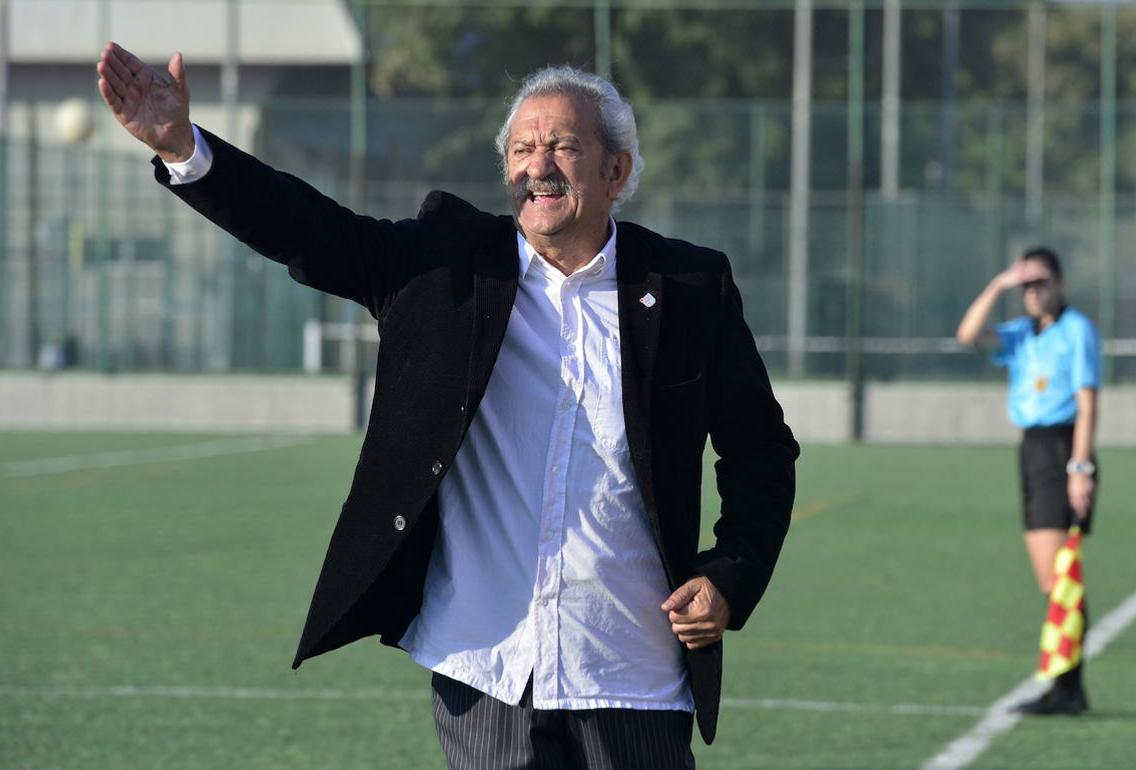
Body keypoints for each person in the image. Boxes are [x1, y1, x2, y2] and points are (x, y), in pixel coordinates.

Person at [97, 42, 799, 768]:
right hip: (485, 667)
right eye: (523, 149)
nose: (539, 165)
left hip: (630, 666)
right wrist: (184, 147)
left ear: (616, 170)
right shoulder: (445, 268)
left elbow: (761, 452)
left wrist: (729, 575)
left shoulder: (688, 287)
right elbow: (308, 230)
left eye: (563, 145)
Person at [955, 246, 1100, 716]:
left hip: (1060, 450)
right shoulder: (1023, 334)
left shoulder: (1077, 331)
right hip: (1032, 449)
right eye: (1026, 286)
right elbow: (968, 335)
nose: (1033, 293)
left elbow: (1087, 401)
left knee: (1059, 577)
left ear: (1059, 283)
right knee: (1051, 578)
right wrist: (1000, 283)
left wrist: (1079, 468)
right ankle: (1066, 686)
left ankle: (1067, 689)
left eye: (1041, 283)